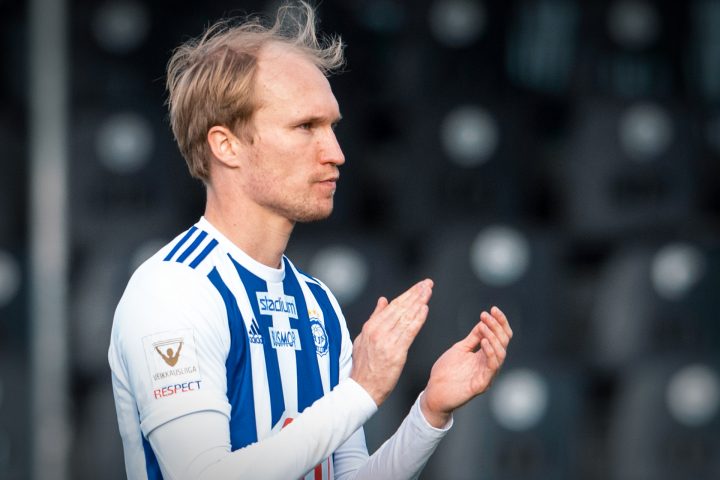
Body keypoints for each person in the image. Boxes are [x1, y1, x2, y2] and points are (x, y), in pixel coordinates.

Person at [107, 2, 513, 479]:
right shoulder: (173, 290)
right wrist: (361, 391)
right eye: (305, 128)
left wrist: (428, 414)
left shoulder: (316, 304)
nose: (336, 153)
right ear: (226, 145)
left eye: (333, 127)